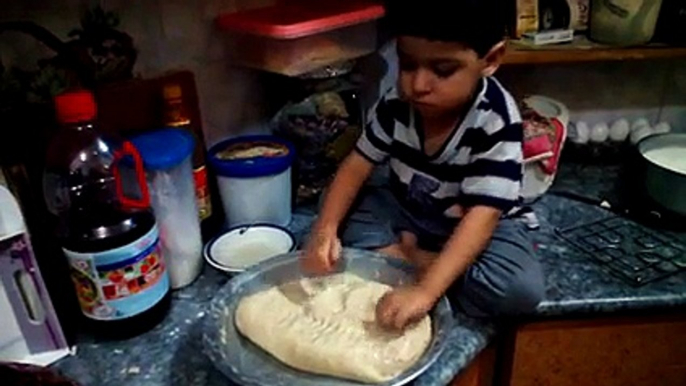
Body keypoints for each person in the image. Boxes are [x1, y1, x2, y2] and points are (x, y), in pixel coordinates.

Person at [301, 0, 545, 330]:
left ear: (490, 60)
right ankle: (415, 259)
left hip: (476, 225)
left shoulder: (496, 119)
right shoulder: (397, 103)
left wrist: (424, 292)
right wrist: (325, 229)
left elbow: (483, 215)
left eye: (443, 70)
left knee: (520, 290)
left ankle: (413, 260)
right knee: (336, 207)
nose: (418, 85)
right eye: (407, 64)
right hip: (408, 209)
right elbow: (357, 164)